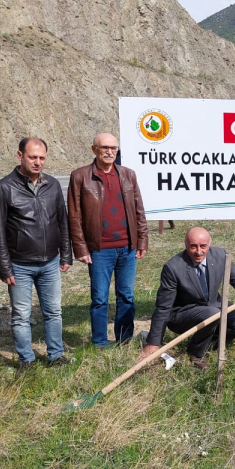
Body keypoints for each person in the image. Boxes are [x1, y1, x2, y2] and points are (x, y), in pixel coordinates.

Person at [0, 137, 72, 373]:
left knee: (54, 311)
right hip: (19, 265)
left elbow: (62, 222)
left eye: (42, 158)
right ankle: (26, 359)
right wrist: (5, 268)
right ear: (20, 156)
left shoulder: (53, 185)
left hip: (50, 262)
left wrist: (66, 254)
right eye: (32, 157)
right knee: (21, 315)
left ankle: (56, 355)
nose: (38, 162)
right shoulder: (4, 188)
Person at [68, 132, 148, 348]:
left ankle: (124, 339)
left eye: (114, 148)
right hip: (99, 250)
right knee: (100, 299)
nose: (110, 152)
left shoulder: (128, 175)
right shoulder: (80, 176)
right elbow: (74, 216)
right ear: (94, 149)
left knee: (127, 297)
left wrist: (142, 241)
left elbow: (139, 210)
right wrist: (81, 248)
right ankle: (100, 343)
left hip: (127, 248)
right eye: (105, 148)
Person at [145, 227, 235, 368]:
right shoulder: (173, 268)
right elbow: (163, 307)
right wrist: (153, 343)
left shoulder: (221, 256)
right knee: (213, 314)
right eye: (193, 247)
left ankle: (210, 341)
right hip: (183, 314)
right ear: (186, 246)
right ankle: (196, 353)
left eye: (203, 246)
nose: (199, 251)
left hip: (214, 307)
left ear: (209, 244)